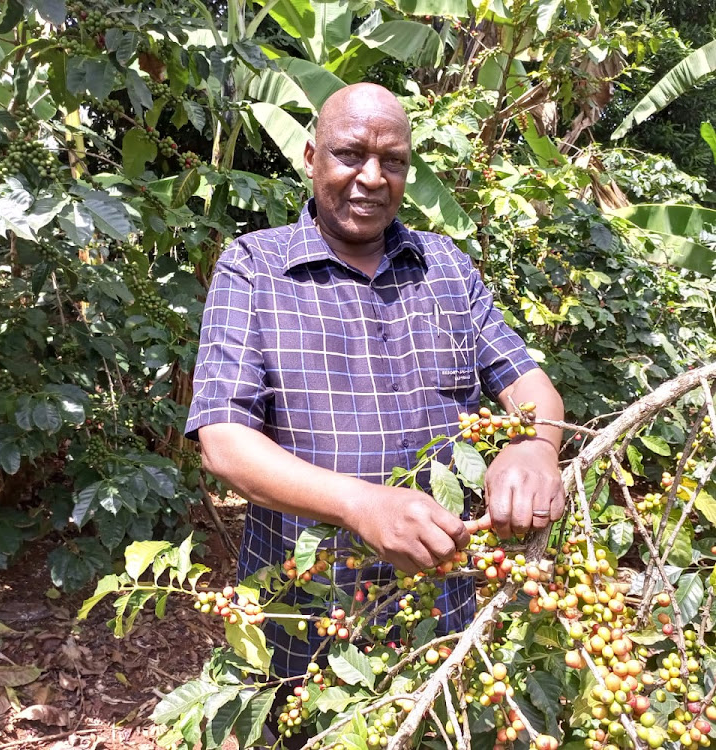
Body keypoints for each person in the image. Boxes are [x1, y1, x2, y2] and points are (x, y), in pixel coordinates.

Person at [185, 83, 565, 679]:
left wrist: (537, 446)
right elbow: (224, 443)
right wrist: (361, 506)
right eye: (349, 154)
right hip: (306, 612)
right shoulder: (253, 268)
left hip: (440, 608)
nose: (372, 176)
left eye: (393, 162)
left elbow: (527, 383)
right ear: (311, 157)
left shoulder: (446, 267)